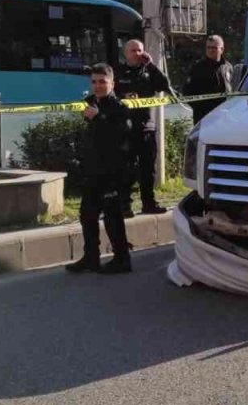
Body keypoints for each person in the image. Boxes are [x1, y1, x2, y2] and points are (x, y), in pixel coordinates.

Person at [66, 64, 133, 275]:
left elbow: (123, 134)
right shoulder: (89, 103)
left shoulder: (118, 107)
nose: (97, 86)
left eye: (102, 81)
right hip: (92, 169)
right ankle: (91, 257)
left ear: (112, 83)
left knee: (112, 216)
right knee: (87, 214)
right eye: (94, 82)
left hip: (111, 171)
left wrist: (100, 117)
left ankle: (122, 259)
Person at [115, 39, 171, 217]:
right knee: (126, 169)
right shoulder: (118, 72)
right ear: (125, 53)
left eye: (139, 50)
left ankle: (149, 203)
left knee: (148, 169)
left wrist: (152, 65)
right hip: (125, 128)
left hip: (147, 127)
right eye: (133, 50)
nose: (137, 54)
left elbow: (165, 85)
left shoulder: (149, 71)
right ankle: (125, 205)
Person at [185, 35, 233, 124]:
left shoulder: (228, 67)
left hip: (225, 117)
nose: (211, 50)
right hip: (204, 118)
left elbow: (233, 89)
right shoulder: (198, 68)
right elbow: (187, 93)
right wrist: (202, 109)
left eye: (214, 48)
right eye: (208, 48)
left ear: (222, 49)